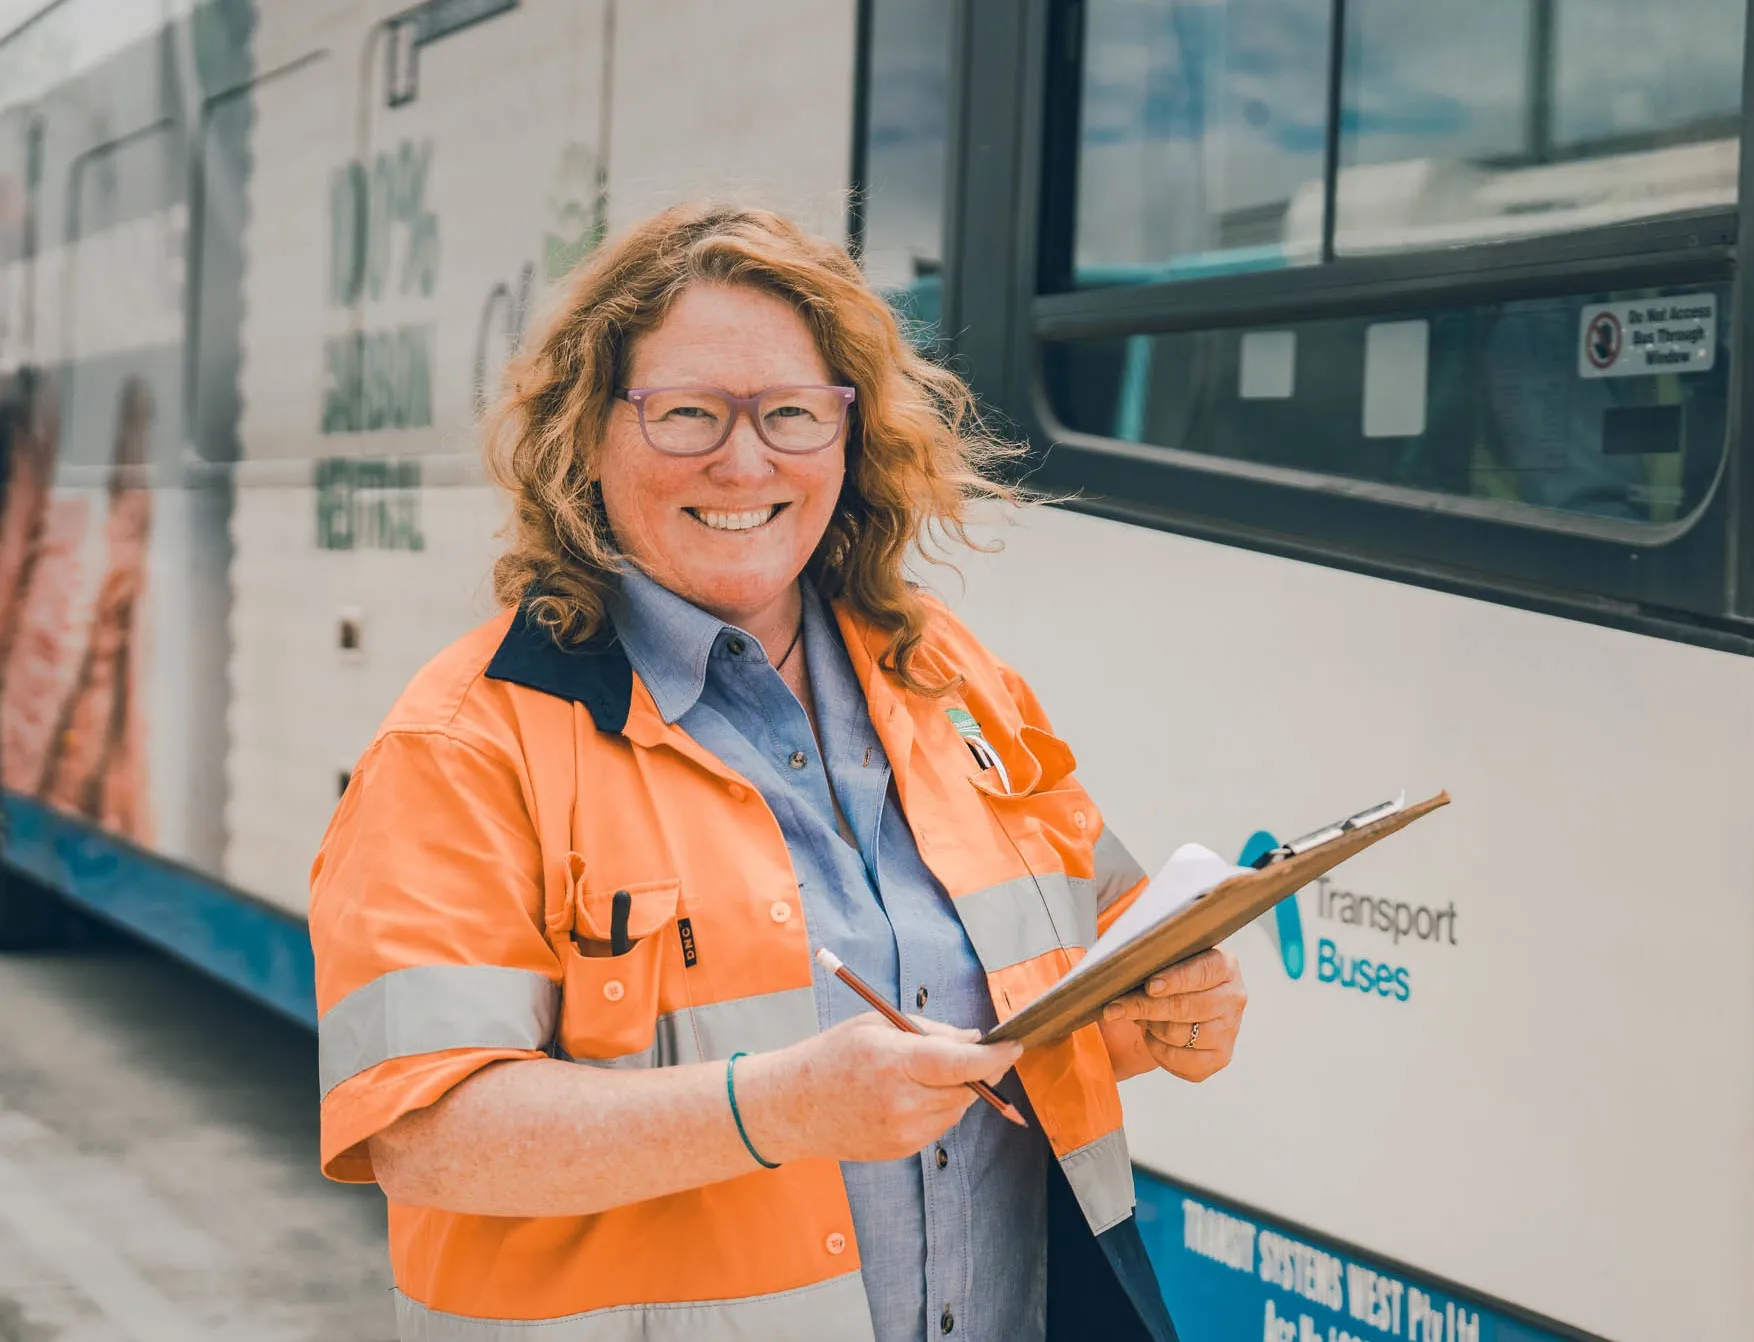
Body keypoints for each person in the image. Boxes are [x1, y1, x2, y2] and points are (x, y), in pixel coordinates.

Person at [309, 202, 1250, 1342]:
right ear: (587, 438)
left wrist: (1172, 1008)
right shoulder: (464, 743)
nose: (744, 460)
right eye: (688, 412)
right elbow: (423, 1130)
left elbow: (1092, 952)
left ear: (848, 441)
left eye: (792, 414)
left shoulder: (947, 674)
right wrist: (780, 1107)